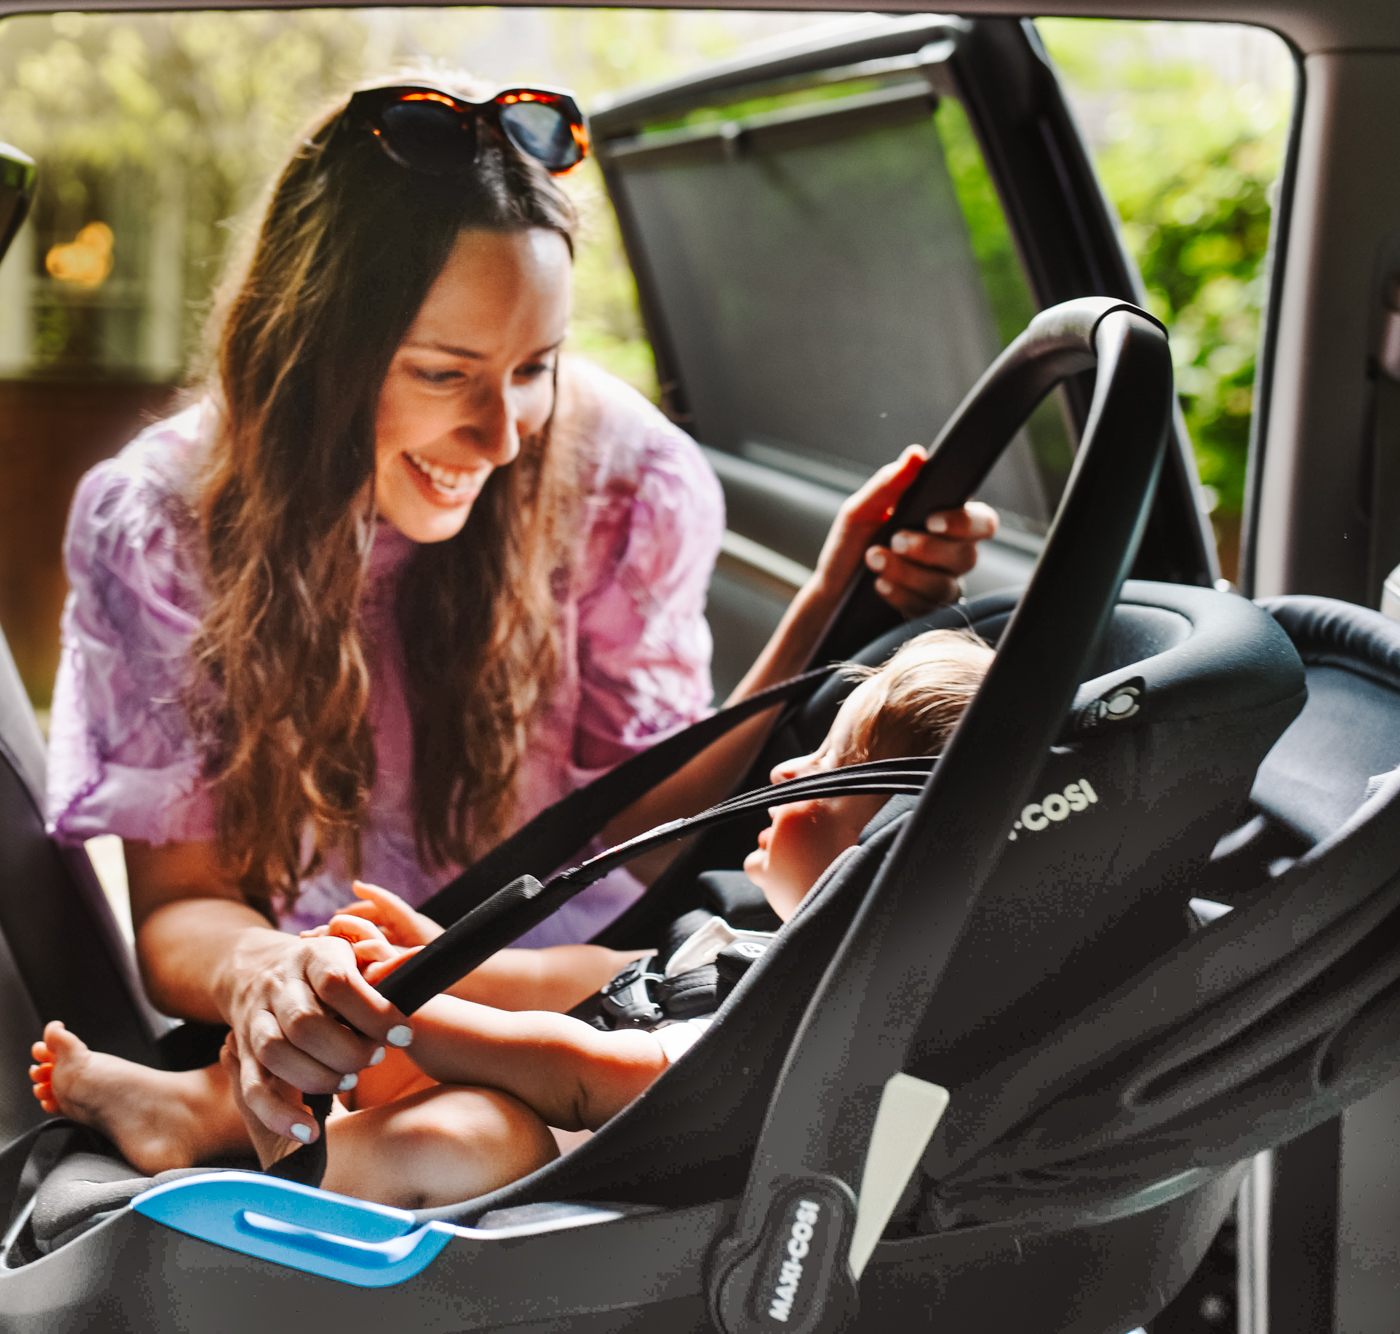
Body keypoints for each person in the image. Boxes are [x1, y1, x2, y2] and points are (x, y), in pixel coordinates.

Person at [43, 73, 999, 1149]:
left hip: (562, 959)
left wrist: (831, 600)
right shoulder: (159, 518)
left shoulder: (623, 478)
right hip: (313, 994)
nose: (503, 436)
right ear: (312, 351)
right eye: (446, 374)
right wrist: (277, 973)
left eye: (535, 368)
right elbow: (180, 908)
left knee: (491, 1115)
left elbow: (639, 839)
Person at [31, 629, 994, 1208]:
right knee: (412, 1054)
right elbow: (576, 976)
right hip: (526, 1104)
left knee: (475, 1127)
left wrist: (416, 1017)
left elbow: (584, 1079)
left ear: (889, 859)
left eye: (831, 768)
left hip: (565, 1183)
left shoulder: (802, 1011)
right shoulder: (742, 942)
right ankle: (194, 1115)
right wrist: (434, 957)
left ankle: (270, 1182)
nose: (786, 771)